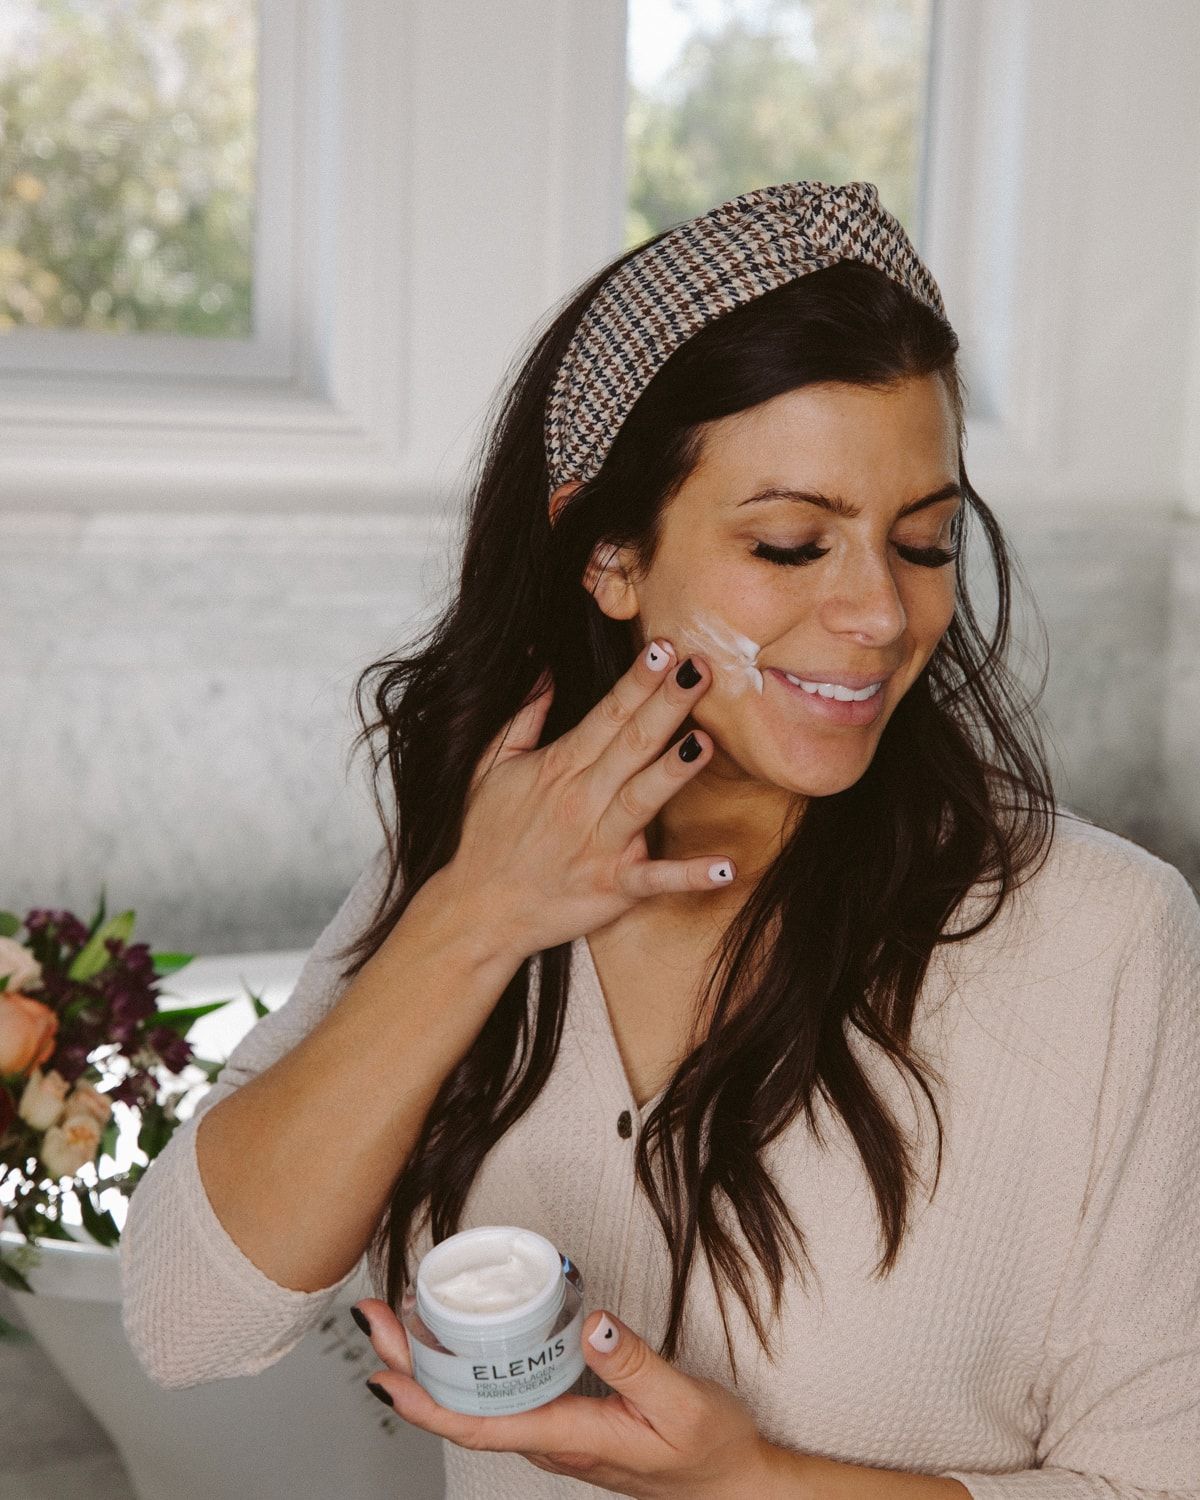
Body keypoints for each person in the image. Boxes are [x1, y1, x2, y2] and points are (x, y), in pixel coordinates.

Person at [120, 181, 1200, 1499]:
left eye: (922, 543)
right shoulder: (483, 864)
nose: (879, 612)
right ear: (612, 554)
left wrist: (752, 1484)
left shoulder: (1106, 939)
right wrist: (474, 922)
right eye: (792, 544)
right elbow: (186, 1319)